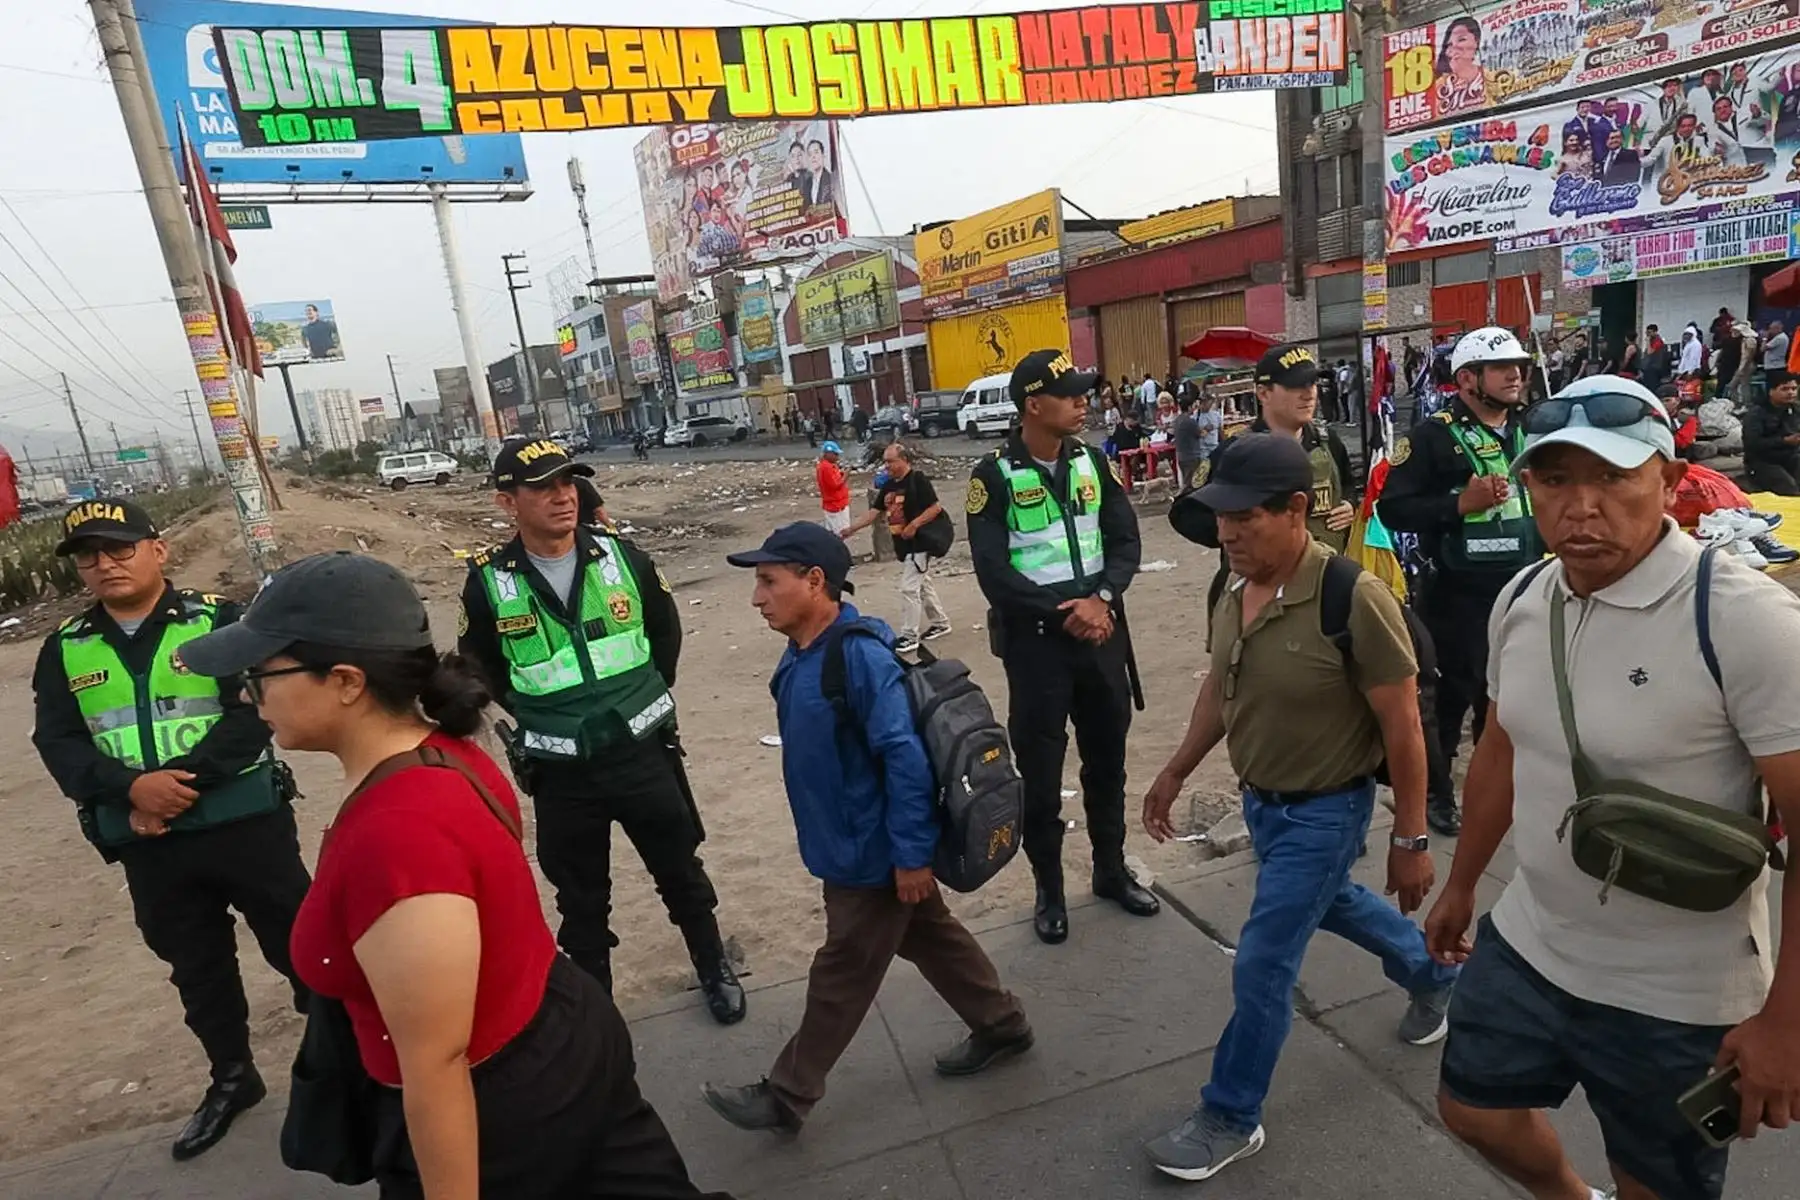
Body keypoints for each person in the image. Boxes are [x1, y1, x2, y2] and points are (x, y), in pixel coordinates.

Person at [177, 553, 731, 1199]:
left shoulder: (398, 832)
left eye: (259, 674)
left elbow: (438, 1066)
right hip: (558, 1033)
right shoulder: (443, 750)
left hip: (504, 1109)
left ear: (348, 681)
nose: (248, 695)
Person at [1423, 376, 1800, 1200]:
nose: (1580, 507)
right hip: (1534, 940)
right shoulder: (1524, 597)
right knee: (1470, 1108)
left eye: (1612, 477)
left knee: (1653, 1185)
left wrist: (1785, 1021)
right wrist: (1459, 884)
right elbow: (1500, 747)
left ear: (1670, 480)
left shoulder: (1741, 619)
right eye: (1554, 480)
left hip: (1678, 988)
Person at [1141, 434, 1458, 1182]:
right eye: (1220, 519)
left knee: (1263, 961)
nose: (1227, 533)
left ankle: (1230, 1113)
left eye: (1244, 518)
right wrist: (1175, 770)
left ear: (1295, 510)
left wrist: (1411, 838)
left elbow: (1404, 727)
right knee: (1335, 903)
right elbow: (1222, 686)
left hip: (1327, 809)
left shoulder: (1353, 597)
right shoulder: (1230, 585)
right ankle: (1434, 975)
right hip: (1264, 808)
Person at [704, 526, 1032, 1131]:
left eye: (768, 581)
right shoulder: (801, 651)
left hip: (873, 853)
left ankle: (788, 1094)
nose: (756, 597)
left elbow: (904, 759)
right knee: (932, 936)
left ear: (814, 582)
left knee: (843, 970)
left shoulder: (857, 655)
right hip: (847, 844)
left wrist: (910, 857)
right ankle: (1002, 1025)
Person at [30, 499, 311, 1162]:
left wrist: (175, 786)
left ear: (158, 550)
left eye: (119, 548)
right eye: (89, 556)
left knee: (304, 948)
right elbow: (59, 740)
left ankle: (351, 1069)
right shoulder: (66, 647)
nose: (105, 564)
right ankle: (233, 1079)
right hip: (149, 841)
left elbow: (256, 713)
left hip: (244, 823)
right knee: (196, 968)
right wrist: (128, 789)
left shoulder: (220, 621)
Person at [457, 439, 745, 1023]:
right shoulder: (488, 582)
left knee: (681, 872)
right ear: (507, 501)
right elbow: (480, 665)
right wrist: (542, 712)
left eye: (568, 482)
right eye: (543, 487)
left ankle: (714, 966)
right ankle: (598, 1014)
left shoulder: (624, 558)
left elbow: (665, 636)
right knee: (582, 902)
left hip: (642, 754)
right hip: (562, 773)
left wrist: (638, 699)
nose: (563, 496)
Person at [966, 349, 1157, 944]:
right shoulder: (991, 476)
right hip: (1039, 649)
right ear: (1033, 406)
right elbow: (994, 573)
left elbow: (1125, 540)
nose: (1083, 402)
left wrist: (1100, 599)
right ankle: (1048, 890)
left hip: (1101, 637)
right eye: (1070, 394)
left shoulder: (1093, 463)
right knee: (1042, 776)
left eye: (1083, 392)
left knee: (1108, 764)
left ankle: (1110, 871)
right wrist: (1065, 611)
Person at [1378, 327, 1541, 838]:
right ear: (1467, 379)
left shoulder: (1532, 429)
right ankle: (1438, 795)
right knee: (1448, 701)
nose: (1516, 375)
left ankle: (1503, 789)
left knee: (1508, 702)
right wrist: (1457, 505)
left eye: (1520, 365)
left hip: (1524, 586)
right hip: (1456, 595)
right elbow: (1394, 507)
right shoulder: (1431, 436)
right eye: (1502, 368)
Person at [1173, 344, 1358, 587]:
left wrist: (1349, 505)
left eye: (1312, 384)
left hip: (1324, 587)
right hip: (1258, 591)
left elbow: (1348, 484)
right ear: (1263, 393)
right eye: (1295, 386)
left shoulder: (1327, 440)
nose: (1309, 394)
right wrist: (1239, 531)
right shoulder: (1237, 451)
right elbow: (1185, 512)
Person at [839, 442, 953, 653]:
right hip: (905, 544)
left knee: (909, 588)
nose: (887, 465)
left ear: (904, 460)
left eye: (891, 461)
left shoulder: (918, 480)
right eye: (885, 461)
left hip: (921, 541)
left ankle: (910, 636)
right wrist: (851, 529)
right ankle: (940, 622)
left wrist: (914, 525)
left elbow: (935, 508)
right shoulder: (889, 486)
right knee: (922, 583)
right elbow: (875, 513)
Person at [1742, 370, 1800, 495]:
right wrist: (1784, 441)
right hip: (1763, 462)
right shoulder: (1756, 414)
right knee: (1789, 488)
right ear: (1771, 391)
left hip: (1791, 457)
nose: (1791, 393)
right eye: (1784, 389)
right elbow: (1753, 444)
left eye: (1794, 389)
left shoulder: (1795, 409)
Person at [815, 440, 852, 535]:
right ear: (828, 454)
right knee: (841, 533)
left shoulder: (829, 465)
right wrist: (846, 475)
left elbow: (834, 479)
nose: (837, 456)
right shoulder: (826, 467)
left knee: (836, 532)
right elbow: (835, 485)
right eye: (835, 454)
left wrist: (841, 474)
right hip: (836, 506)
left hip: (836, 504)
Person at [1173, 393, 1206, 493]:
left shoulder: (1177, 420)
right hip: (1192, 457)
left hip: (1182, 456)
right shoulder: (1190, 421)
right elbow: (1201, 434)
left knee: (1187, 482)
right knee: (1193, 485)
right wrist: (1208, 428)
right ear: (1189, 407)